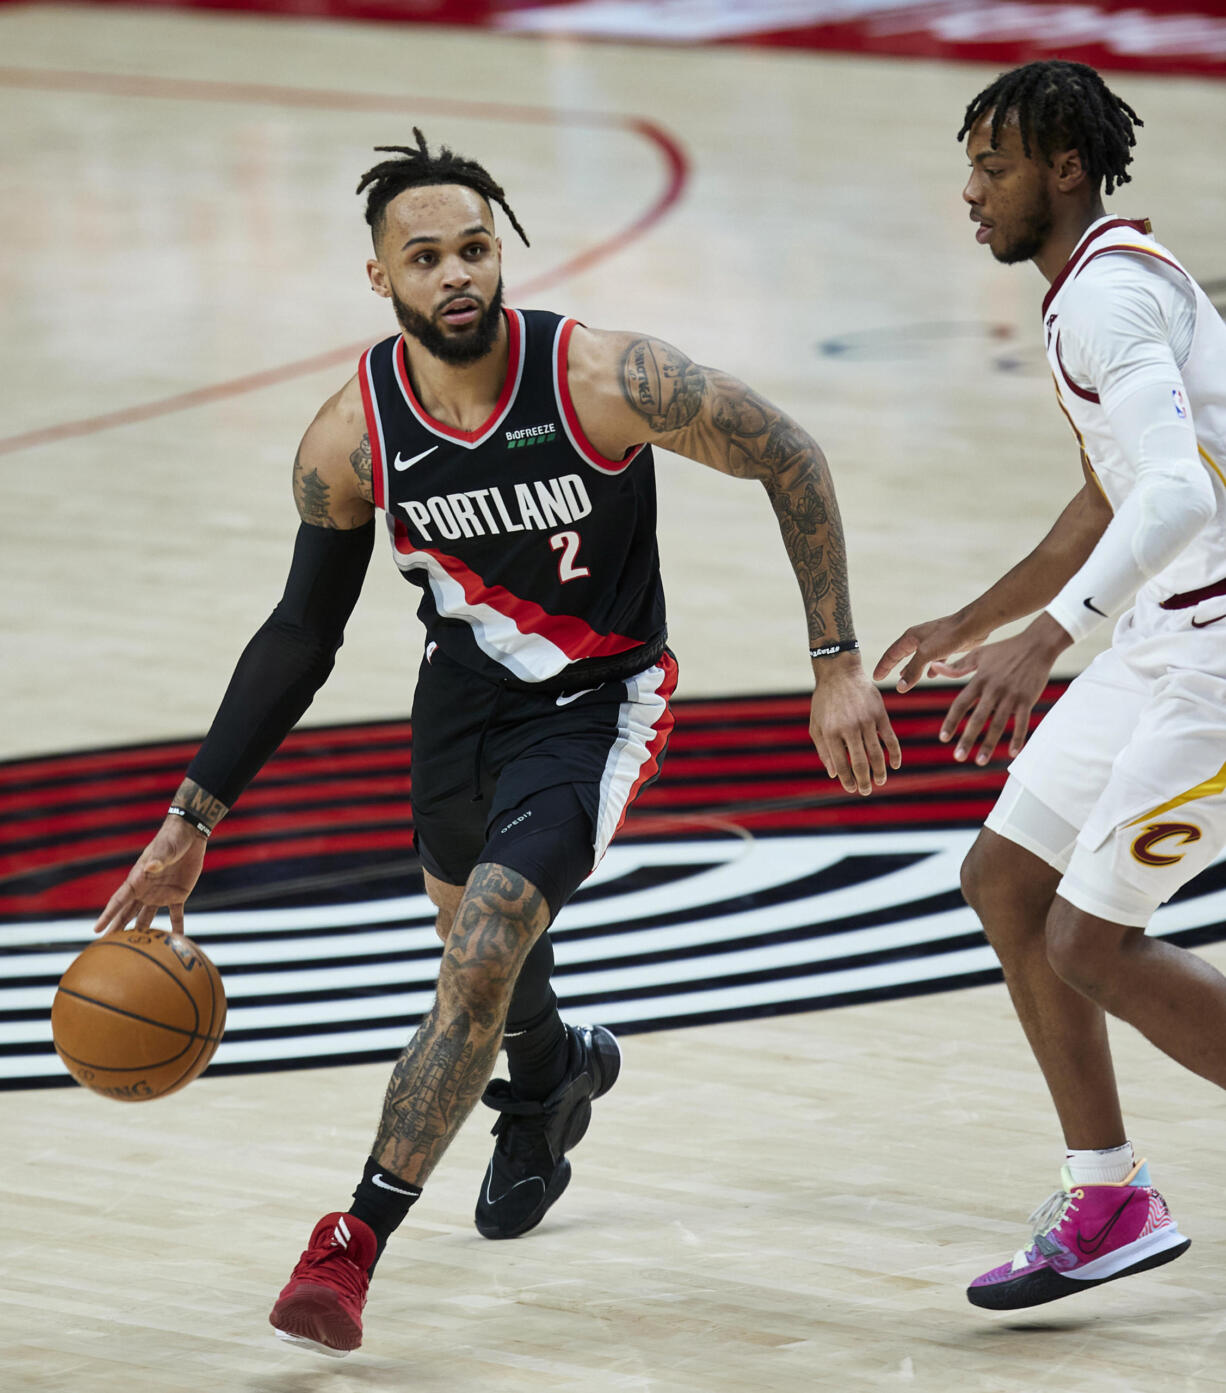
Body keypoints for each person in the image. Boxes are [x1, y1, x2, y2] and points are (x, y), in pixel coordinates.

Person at [93, 130, 900, 1356]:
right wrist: (188, 821)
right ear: (381, 279)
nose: (457, 275)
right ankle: (551, 1079)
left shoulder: (599, 379)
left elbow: (787, 452)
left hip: (599, 701)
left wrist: (832, 659)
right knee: (490, 964)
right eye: (425, 258)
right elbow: (299, 635)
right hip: (460, 705)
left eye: (475, 248)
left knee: (478, 950)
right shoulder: (350, 439)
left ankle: (349, 1243)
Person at [877, 60, 1226, 1311]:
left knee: (1091, 938)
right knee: (1007, 879)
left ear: (1062, 170)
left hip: (1217, 660)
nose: (970, 193)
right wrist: (980, 618)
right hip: (1163, 637)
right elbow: (1111, 492)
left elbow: (1179, 496)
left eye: (993, 166)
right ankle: (1108, 1192)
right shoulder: (1097, 285)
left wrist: (1049, 639)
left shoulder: (1105, 302)